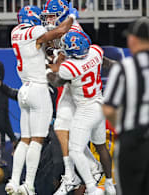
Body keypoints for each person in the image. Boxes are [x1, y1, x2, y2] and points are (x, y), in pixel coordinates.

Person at [5, 4, 78, 194]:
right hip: (38, 89)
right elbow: (59, 31)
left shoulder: (15, 32)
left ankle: (13, 181)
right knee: (37, 141)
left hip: (24, 89)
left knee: (24, 140)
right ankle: (28, 184)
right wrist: (71, 17)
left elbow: (40, 48)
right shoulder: (35, 31)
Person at [102, 17, 149, 195]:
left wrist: (124, 128)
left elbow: (108, 108)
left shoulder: (124, 67)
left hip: (133, 139)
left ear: (132, 39)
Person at [47, 30, 116, 195]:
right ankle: (109, 183)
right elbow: (107, 63)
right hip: (100, 104)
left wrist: (47, 70)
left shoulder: (70, 68)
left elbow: (57, 81)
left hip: (86, 110)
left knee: (75, 150)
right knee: (101, 147)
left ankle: (92, 186)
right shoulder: (95, 52)